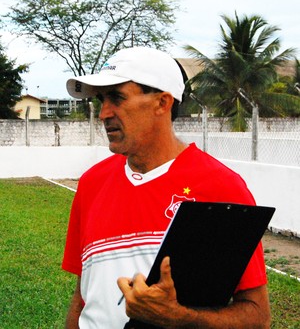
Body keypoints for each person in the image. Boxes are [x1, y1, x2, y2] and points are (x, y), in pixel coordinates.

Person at [62, 46, 271, 329]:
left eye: (117, 98)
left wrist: (177, 318)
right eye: (101, 100)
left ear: (162, 102)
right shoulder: (91, 184)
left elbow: (257, 317)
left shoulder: (222, 187)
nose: (103, 113)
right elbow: (83, 297)